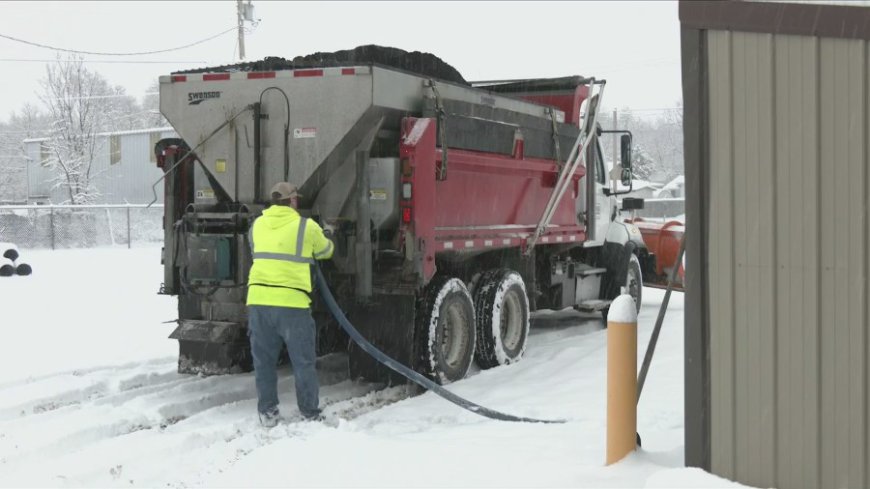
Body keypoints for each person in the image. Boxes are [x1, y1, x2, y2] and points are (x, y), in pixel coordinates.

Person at [246, 181, 334, 427]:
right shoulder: (306, 226)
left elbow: (255, 251)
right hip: (292, 304)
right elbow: (326, 251)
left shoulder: (257, 225)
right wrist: (328, 234)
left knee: (264, 362)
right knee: (302, 362)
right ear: (293, 201)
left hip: (258, 303)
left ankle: (268, 413)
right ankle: (309, 412)